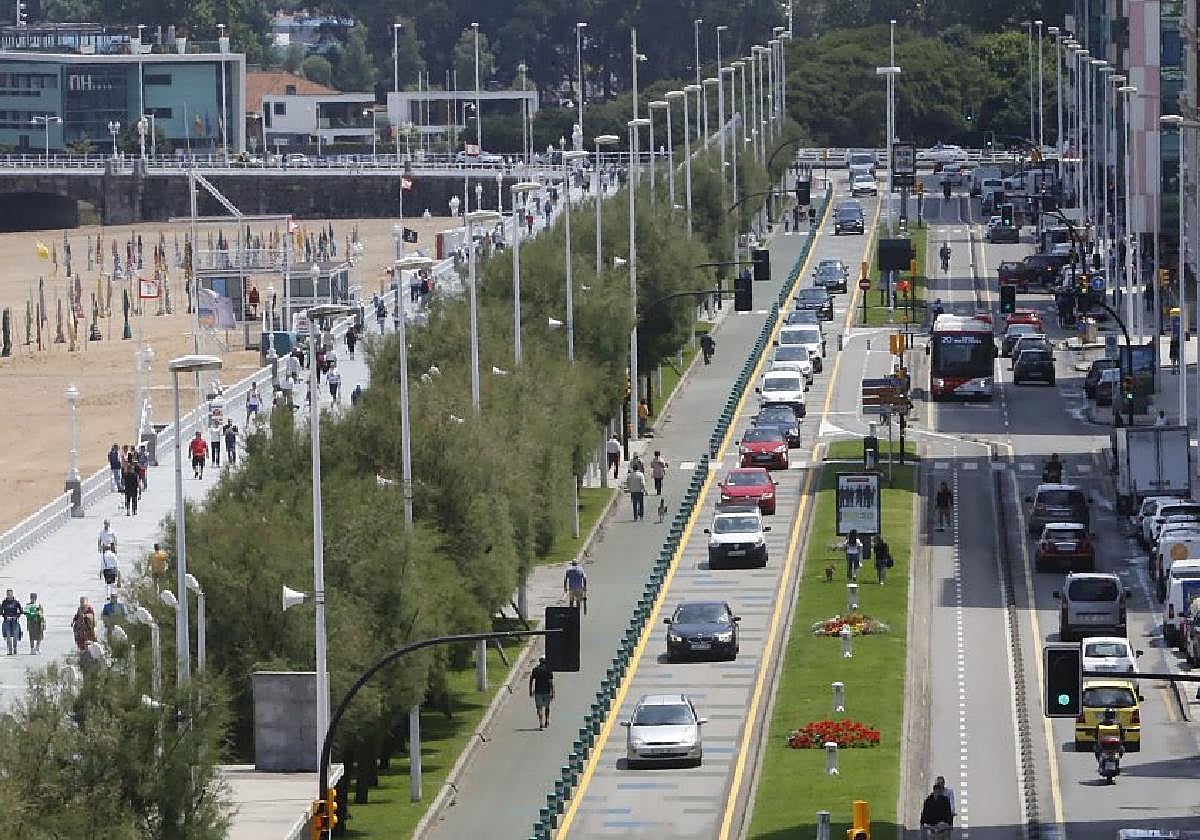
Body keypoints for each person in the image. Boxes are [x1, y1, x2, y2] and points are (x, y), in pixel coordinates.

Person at [529, 656, 555, 730]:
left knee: (539, 708)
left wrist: (530, 691)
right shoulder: (549, 670)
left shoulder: (535, 670)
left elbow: (531, 681)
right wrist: (553, 692)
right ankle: (547, 720)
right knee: (547, 707)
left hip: (538, 692)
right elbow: (551, 683)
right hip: (546, 691)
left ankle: (541, 723)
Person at [0, 590, 21, 655]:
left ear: (12, 594)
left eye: (10, 594)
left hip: (14, 620)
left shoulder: (16, 602)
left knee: (15, 635)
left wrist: (17, 616)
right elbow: (1, 612)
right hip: (7, 621)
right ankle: (9, 649)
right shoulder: (4, 602)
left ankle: (15, 648)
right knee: (8, 636)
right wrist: (5, 616)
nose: (9, 595)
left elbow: (20, 611)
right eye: (8, 594)